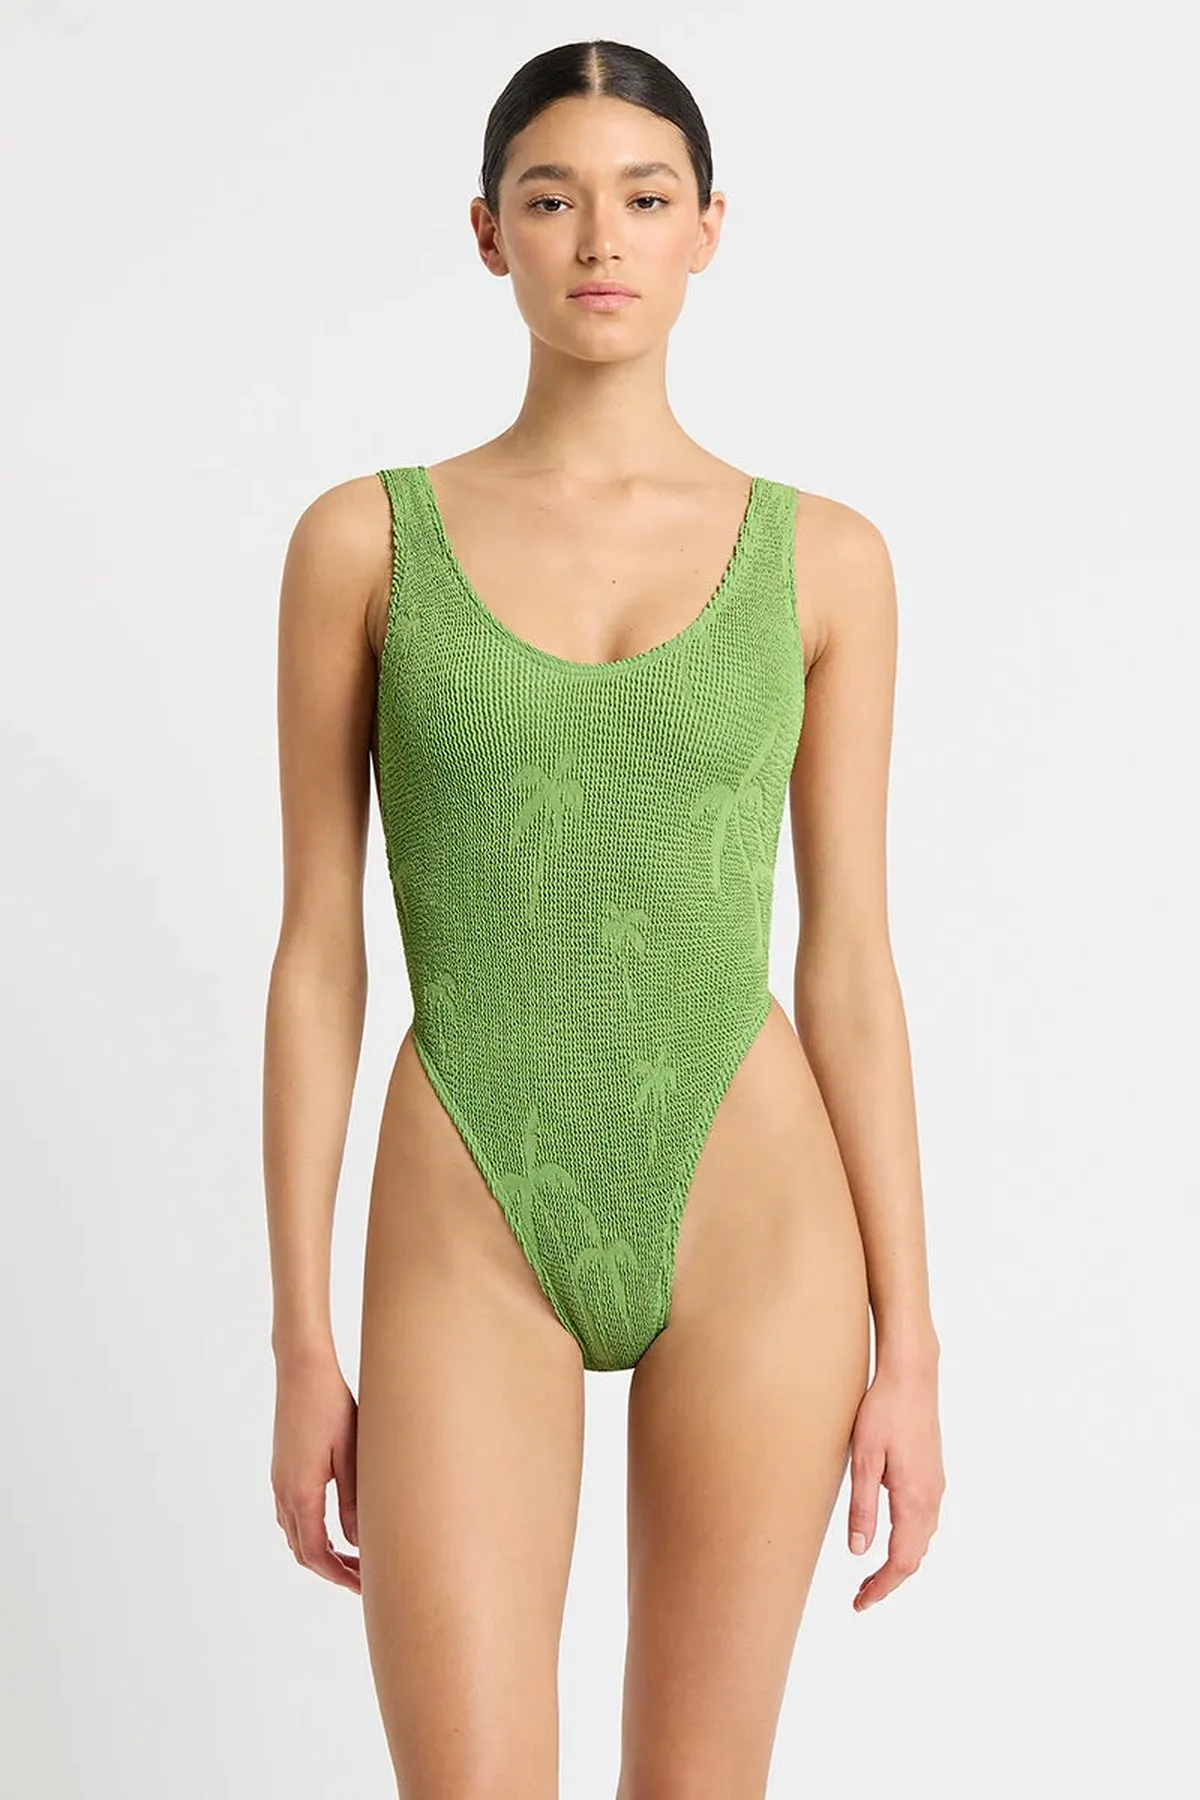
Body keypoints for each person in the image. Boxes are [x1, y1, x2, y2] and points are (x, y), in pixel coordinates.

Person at [262, 36, 945, 1797]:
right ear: (488, 232)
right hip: (466, 1195)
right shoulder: (365, 545)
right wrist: (299, 1340)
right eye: (552, 199)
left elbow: (851, 963)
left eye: (645, 198)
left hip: (758, 1205)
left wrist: (917, 1348)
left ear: (708, 228)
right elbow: (319, 950)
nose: (600, 239)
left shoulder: (827, 560)